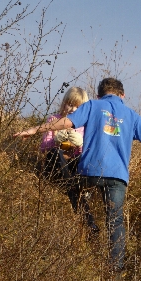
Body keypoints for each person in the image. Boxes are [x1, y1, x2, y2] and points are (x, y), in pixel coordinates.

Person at [14, 77, 141, 278]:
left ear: (99, 95)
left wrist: (35, 129)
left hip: (90, 171)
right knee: (115, 221)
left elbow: (65, 123)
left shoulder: (92, 105)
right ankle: (115, 271)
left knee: (73, 189)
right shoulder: (131, 115)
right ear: (123, 95)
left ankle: (89, 223)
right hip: (117, 176)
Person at [38, 87, 97, 232]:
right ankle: (76, 190)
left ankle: (89, 222)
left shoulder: (85, 126)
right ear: (64, 103)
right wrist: (56, 141)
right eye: (70, 104)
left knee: (84, 160)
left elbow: (89, 152)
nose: (72, 109)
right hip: (55, 167)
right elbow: (43, 148)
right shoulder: (54, 120)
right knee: (55, 153)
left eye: (78, 106)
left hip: (73, 168)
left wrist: (80, 145)